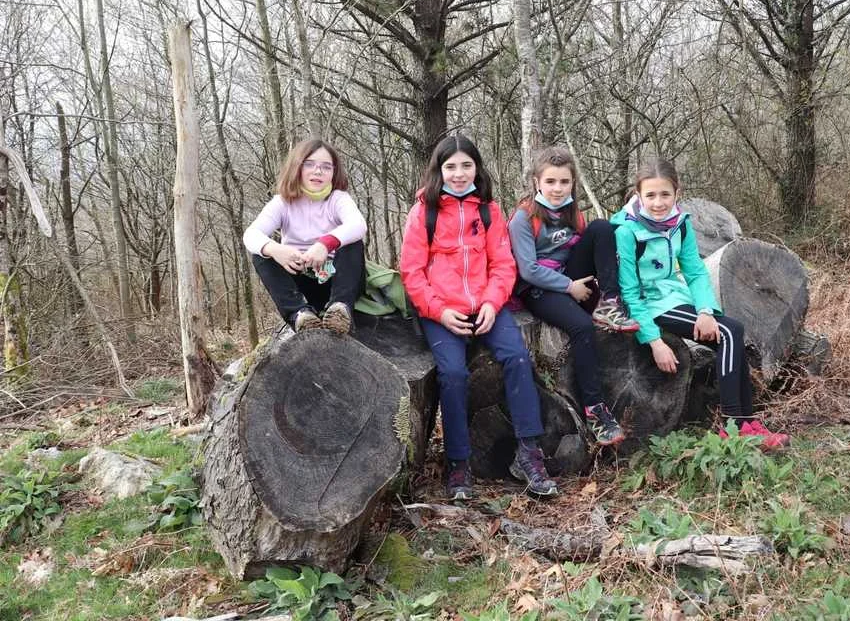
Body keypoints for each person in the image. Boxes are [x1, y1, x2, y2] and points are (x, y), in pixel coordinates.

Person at [399, 133, 558, 500]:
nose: (458, 174)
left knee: (517, 357)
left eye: (466, 165)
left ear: (477, 168)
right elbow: (412, 272)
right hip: (441, 310)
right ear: (438, 170)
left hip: (487, 305)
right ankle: (458, 463)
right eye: (451, 166)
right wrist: (440, 311)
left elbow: (503, 265)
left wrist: (491, 303)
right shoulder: (423, 212)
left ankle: (529, 453)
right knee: (453, 374)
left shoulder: (488, 210)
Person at [611, 159, 789, 450]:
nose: (658, 202)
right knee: (730, 333)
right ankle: (734, 427)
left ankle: (748, 424)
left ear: (677, 193)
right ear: (638, 195)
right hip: (648, 305)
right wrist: (653, 340)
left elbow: (694, 272)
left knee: (731, 332)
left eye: (665, 194)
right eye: (651, 195)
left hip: (673, 296)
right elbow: (629, 293)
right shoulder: (626, 232)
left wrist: (706, 311)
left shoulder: (679, 224)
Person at [508, 146, 639, 446]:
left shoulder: (572, 213)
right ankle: (596, 411)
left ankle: (611, 303)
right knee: (582, 327)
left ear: (572, 183)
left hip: (570, 274)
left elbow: (585, 247)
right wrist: (570, 287)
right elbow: (528, 270)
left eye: (564, 182)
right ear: (537, 182)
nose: (557, 188)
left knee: (602, 227)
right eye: (550, 181)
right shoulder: (523, 218)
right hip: (539, 289)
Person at [243, 138, 366, 334]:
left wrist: (325, 244)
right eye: (310, 164)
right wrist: (275, 249)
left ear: (334, 173)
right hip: (301, 280)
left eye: (326, 167)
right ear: (297, 167)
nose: (318, 171)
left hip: (336, 280)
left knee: (353, 242)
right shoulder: (282, 203)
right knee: (261, 254)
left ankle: (340, 310)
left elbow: (358, 225)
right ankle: (300, 314)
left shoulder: (338, 199)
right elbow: (251, 234)